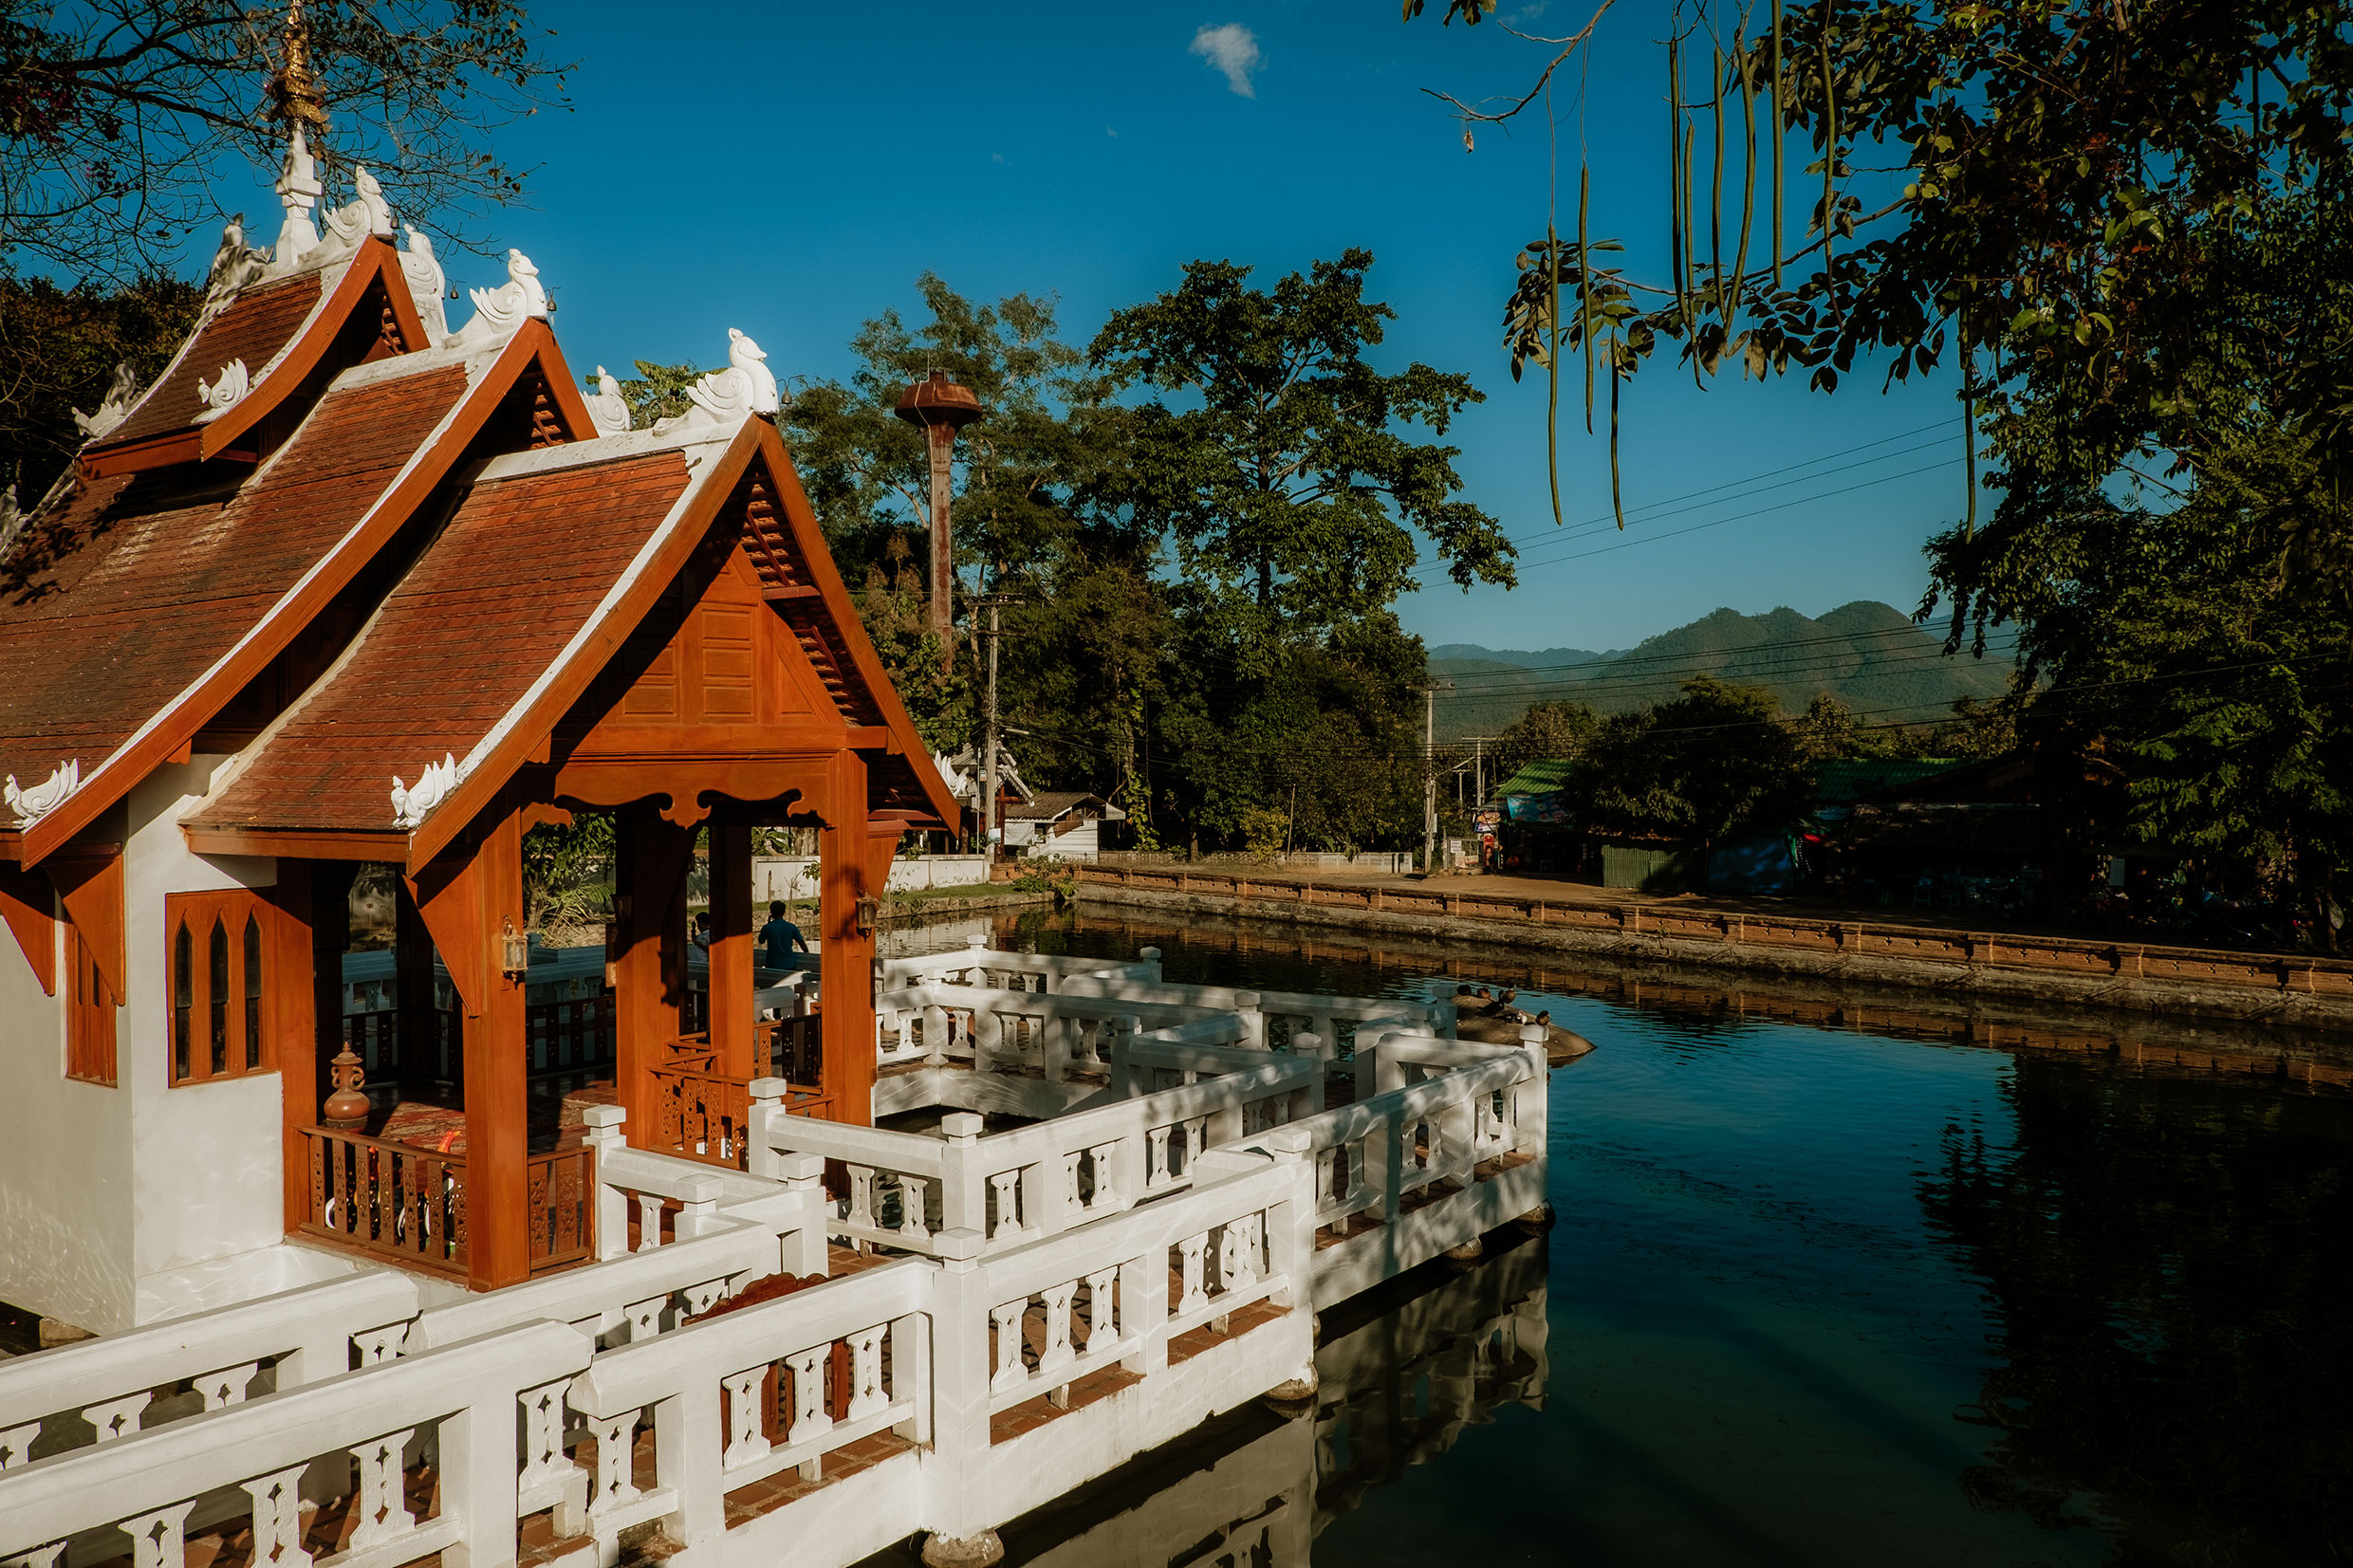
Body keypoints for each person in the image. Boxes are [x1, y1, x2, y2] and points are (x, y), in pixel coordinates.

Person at [759, 900, 808, 970]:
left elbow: (761, 941)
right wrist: (806, 955)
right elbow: (802, 943)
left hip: (772, 965)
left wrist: (768, 923)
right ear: (784, 912)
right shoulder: (791, 927)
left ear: (771, 912)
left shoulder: (767, 927)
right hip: (788, 964)